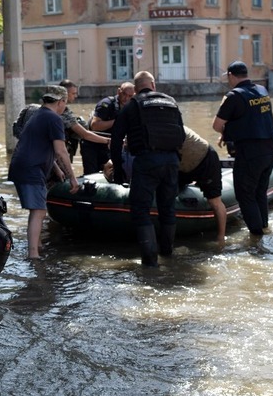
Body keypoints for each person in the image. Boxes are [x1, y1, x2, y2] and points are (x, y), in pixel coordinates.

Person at [111, 71, 184, 267]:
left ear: (135, 89)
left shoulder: (133, 105)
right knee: (168, 208)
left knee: (141, 210)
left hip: (147, 161)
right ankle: (168, 255)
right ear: (153, 84)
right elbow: (182, 135)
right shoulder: (171, 102)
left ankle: (150, 263)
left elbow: (116, 139)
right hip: (171, 161)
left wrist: (118, 169)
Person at [8, 85, 80, 260]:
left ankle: (37, 245)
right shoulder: (54, 119)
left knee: (38, 210)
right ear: (61, 101)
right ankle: (33, 254)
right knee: (39, 211)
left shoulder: (38, 115)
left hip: (22, 165)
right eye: (65, 102)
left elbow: (41, 145)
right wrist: (72, 178)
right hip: (31, 168)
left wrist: (55, 168)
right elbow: (61, 151)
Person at [212, 60, 273, 236]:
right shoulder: (262, 90)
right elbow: (253, 118)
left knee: (245, 194)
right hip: (271, 150)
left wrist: (226, 133)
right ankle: (264, 226)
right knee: (259, 192)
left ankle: (256, 238)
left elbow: (217, 125)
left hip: (251, 153)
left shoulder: (234, 96)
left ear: (231, 76)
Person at [13, 80, 109, 167]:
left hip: (25, 161)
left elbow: (19, 131)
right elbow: (84, 135)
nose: (75, 96)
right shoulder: (60, 116)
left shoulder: (32, 110)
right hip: (47, 163)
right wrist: (109, 141)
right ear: (62, 98)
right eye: (73, 93)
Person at [179, 126, 227, 244]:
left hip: (205, 159)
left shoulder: (173, 126)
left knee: (214, 201)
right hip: (183, 166)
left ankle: (221, 238)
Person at [81, 81, 135, 174]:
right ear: (118, 92)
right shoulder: (107, 104)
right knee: (91, 174)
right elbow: (95, 126)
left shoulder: (132, 107)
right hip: (93, 145)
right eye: (124, 94)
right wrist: (118, 121)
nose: (126, 98)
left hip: (111, 145)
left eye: (130, 96)